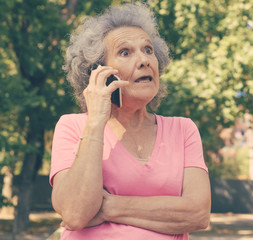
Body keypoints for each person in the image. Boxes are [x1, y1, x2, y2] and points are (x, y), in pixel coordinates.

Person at [49, 3, 211, 240]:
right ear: (99, 72)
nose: (144, 60)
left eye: (148, 50)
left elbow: (197, 214)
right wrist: (95, 122)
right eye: (125, 52)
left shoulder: (183, 129)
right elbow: (75, 214)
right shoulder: (72, 126)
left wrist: (110, 207)